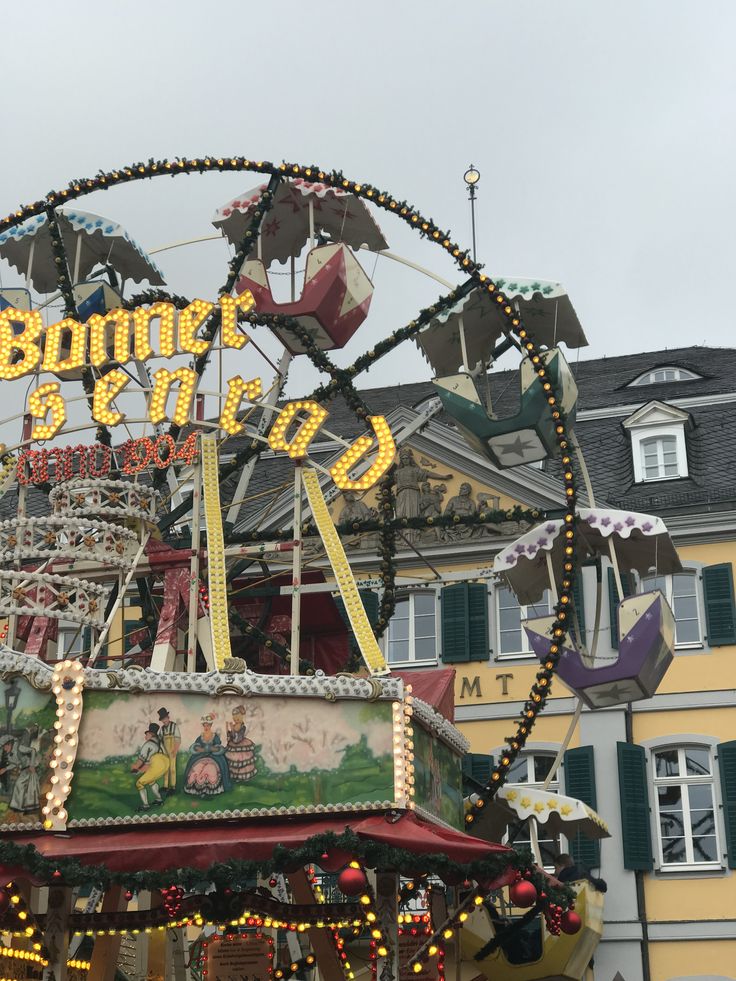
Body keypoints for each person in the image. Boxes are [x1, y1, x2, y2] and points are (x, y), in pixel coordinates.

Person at [183, 715, 232, 798]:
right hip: (201, 757)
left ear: (211, 725)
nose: (206, 727)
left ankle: (209, 790)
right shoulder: (200, 737)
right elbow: (196, 746)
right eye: (204, 725)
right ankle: (198, 789)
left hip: (213, 757)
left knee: (211, 769)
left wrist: (211, 748)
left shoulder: (215, 736)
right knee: (197, 768)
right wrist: (200, 749)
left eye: (208, 725)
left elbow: (218, 747)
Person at [131, 723, 169, 811]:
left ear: (151, 734)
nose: (145, 736)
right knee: (151, 780)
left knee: (139, 783)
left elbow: (141, 760)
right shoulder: (159, 740)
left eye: (147, 734)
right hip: (165, 764)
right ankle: (159, 800)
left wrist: (135, 768)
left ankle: (145, 805)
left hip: (157, 765)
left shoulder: (148, 744)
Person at [224, 706, 257, 783]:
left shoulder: (242, 727)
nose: (236, 719)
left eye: (238, 718)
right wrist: (228, 730)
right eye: (234, 718)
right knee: (234, 760)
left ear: (242, 717)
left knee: (241, 760)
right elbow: (231, 737)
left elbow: (237, 738)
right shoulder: (235, 725)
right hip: (234, 744)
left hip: (240, 744)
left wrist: (232, 729)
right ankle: (235, 776)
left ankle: (243, 776)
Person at [157, 707, 181, 796]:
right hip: (165, 752)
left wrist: (175, 750)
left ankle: (173, 786)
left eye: (165, 718)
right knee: (166, 769)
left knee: (172, 769)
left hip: (172, 750)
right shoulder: (162, 729)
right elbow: (159, 739)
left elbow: (178, 739)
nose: (164, 721)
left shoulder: (174, 726)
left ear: (168, 717)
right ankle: (166, 786)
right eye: (162, 719)